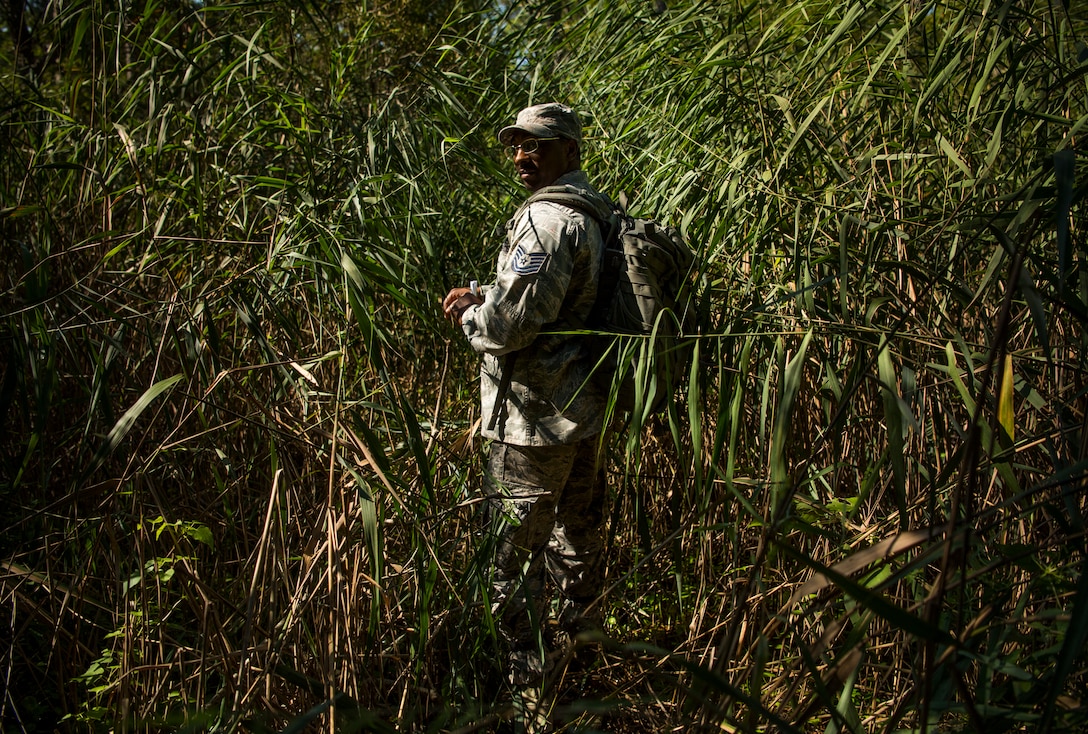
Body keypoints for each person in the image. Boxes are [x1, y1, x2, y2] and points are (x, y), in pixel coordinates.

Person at [442, 103, 614, 687]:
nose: (522, 156)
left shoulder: (546, 220)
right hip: (582, 411)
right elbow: (561, 298)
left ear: (570, 150)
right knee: (575, 543)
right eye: (517, 145)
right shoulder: (594, 212)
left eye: (538, 145)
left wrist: (471, 313)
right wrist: (487, 287)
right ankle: (579, 667)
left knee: (512, 561)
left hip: (532, 423)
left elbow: (510, 326)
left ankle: (526, 692)